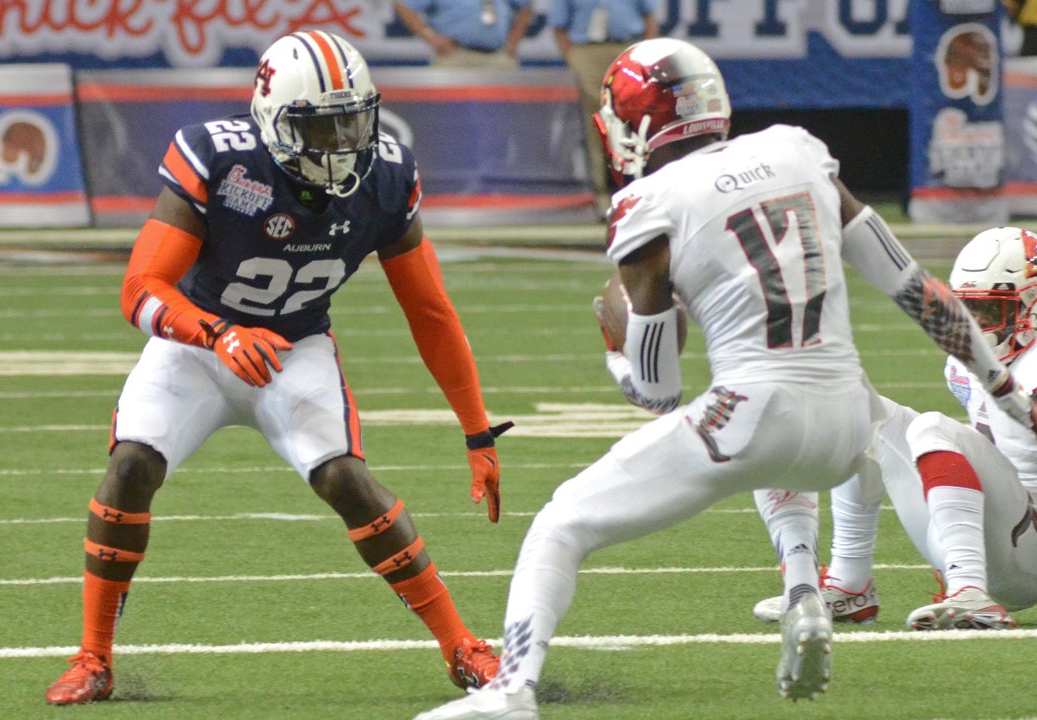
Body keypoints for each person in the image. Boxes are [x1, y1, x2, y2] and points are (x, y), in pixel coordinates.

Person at [412, 38, 1037, 720]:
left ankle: (513, 690)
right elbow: (918, 292)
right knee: (834, 433)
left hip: (755, 412)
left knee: (561, 524)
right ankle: (809, 591)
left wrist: (615, 349)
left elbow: (656, 393)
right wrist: (1002, 387)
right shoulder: (798, 149)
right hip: (848, 414)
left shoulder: (646, 204)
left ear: (640, 124)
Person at [43, 30, 513, 705]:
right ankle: (93, 657)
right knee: (130, 465)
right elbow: (140, 289)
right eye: (321, 127)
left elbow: (430, 310)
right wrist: (217, 332)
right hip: (197, 347)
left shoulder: (384, 175)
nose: (343, 142)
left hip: (295, 349)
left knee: (348, 479)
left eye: (353, 120)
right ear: (273, 120)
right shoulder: (218, 159)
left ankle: (461, 647)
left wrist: (476, 430)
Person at [753, 226, 1037, 631]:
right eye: (967, 310)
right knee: (856, 413)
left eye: (990, 312)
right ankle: (850, 588)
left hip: (1029, 553)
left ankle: (969, 592)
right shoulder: (963, 364)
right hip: (1002, 537)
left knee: (932, 428)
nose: (974, 325)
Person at [548, 0, 659, 217]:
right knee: (594, 124)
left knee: (634, 121)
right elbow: (559, 26)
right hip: (587, 52)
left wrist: (645, 52)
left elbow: (649, 17)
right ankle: (599, 196)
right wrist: (573, 57)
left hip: (626, 48)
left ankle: (636, 192)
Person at [393, 0, 534, 70]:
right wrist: (430, 37)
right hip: (456, 56)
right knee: (448, 113)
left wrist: (513, 42)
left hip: (498, 57)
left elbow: (526, 7)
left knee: (508, 113)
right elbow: (403, 4)